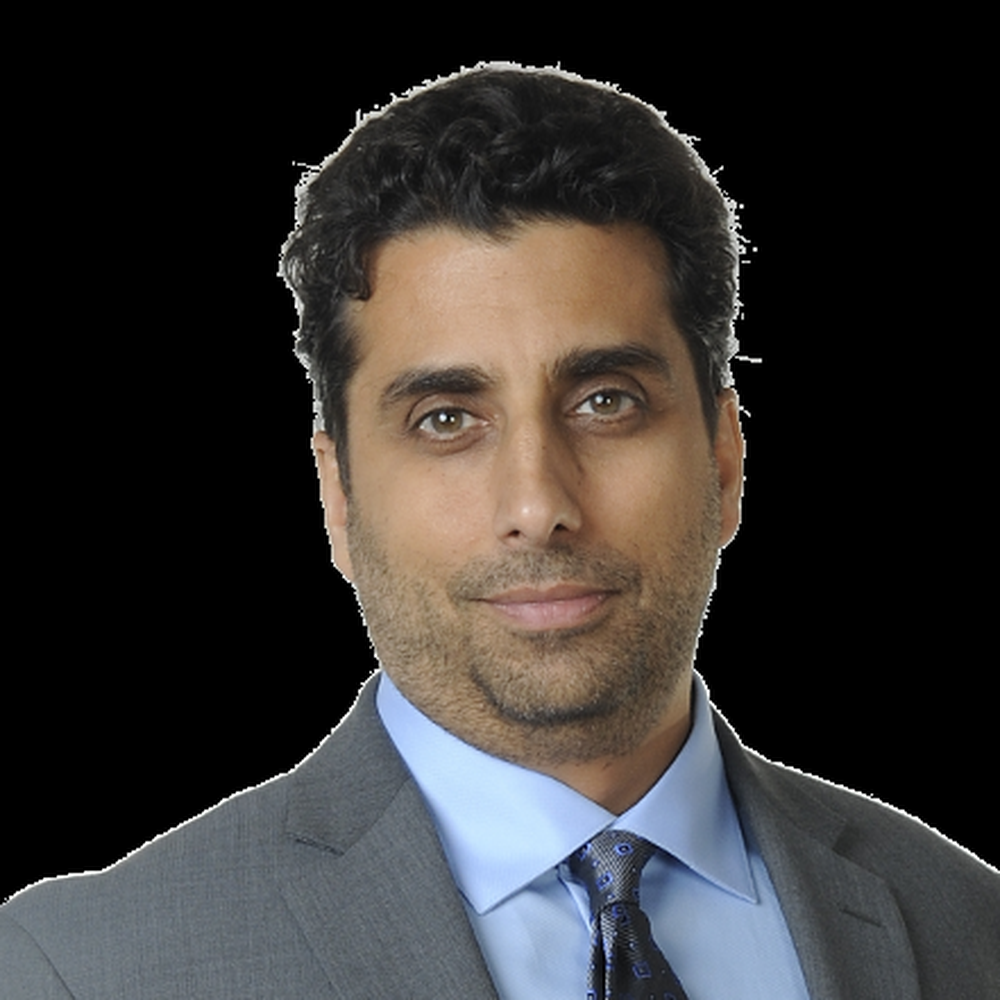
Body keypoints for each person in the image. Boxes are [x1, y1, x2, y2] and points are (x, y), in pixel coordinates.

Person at [2, 64, 997, 1000]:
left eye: (606, 401)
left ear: (726, 459)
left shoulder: (970, 928)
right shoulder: (87, 972)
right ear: (337, 494)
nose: (537, 502)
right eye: (446, 418)